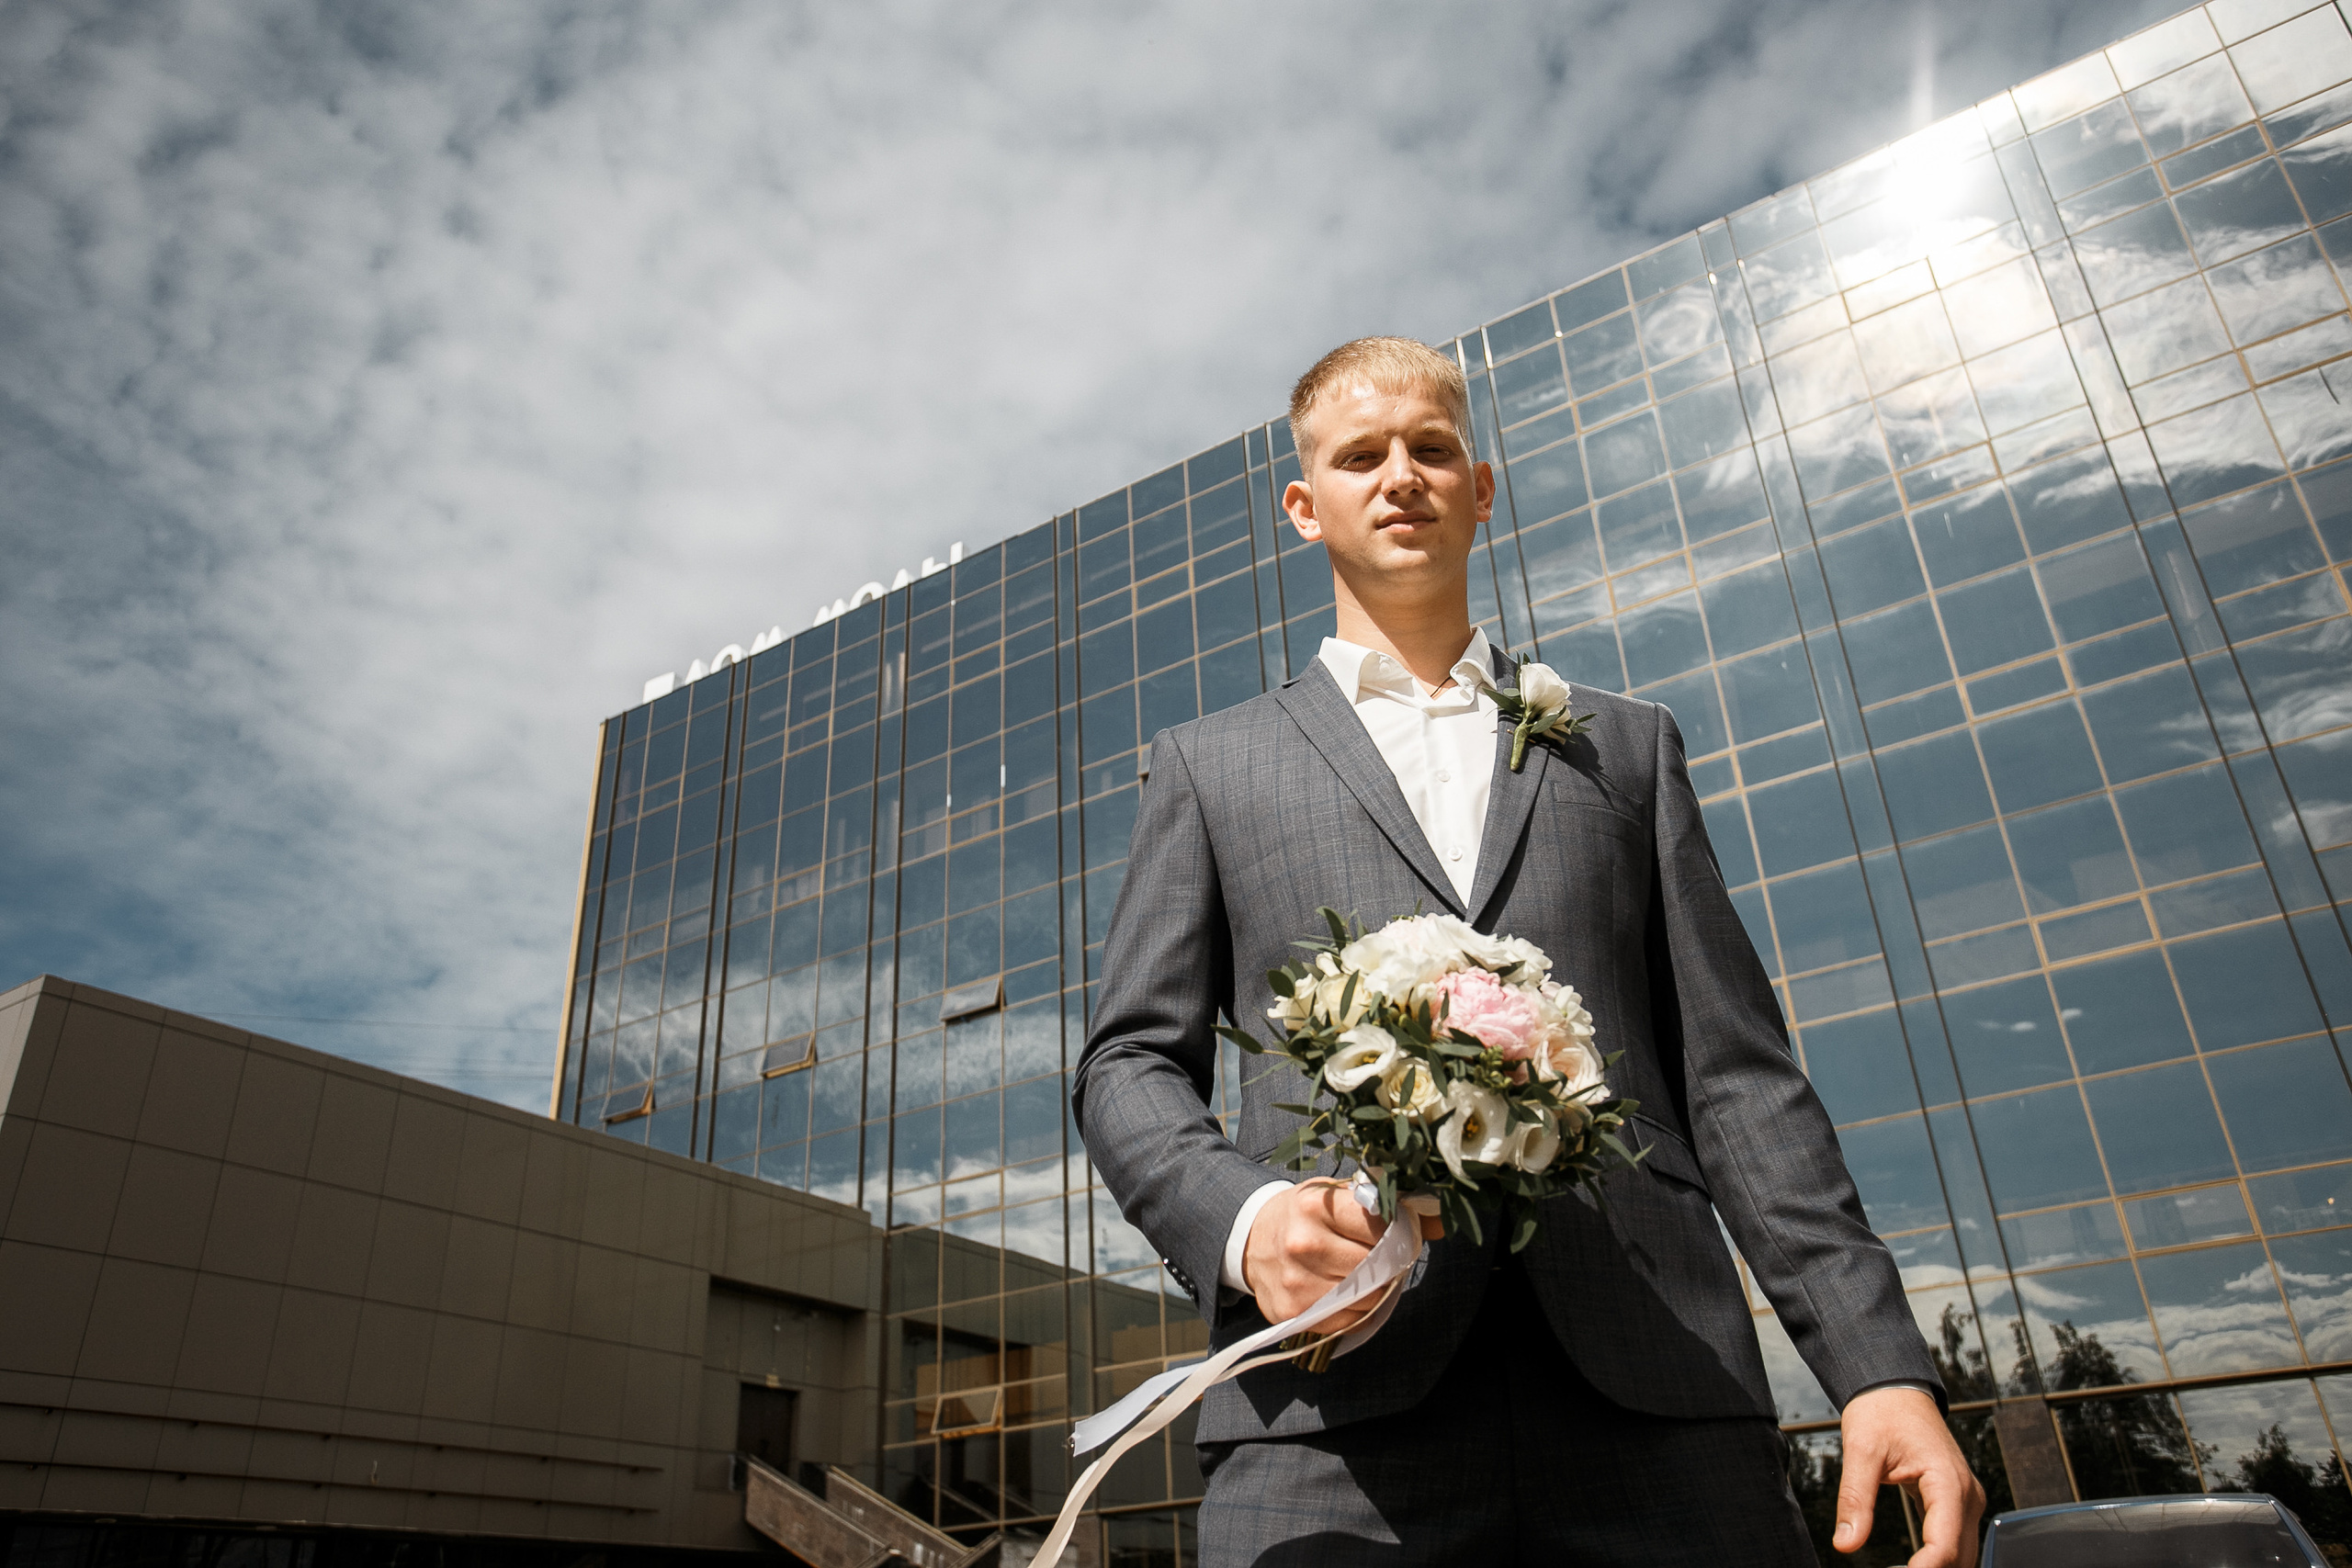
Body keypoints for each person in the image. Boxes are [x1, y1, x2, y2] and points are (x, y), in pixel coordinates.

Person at [1069, 337, 1984, 1566]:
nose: (1401, 473)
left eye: (1432, 448)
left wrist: (1876, 1367)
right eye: (1361, 455)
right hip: (1332, 1415)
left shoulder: (1629, 748)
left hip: (1658, 1392)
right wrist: (1245, 1220)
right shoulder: (1208, 765)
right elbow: (1127, 1060)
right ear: (1305, 506)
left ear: (1482, 488)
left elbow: (1738, 1080)